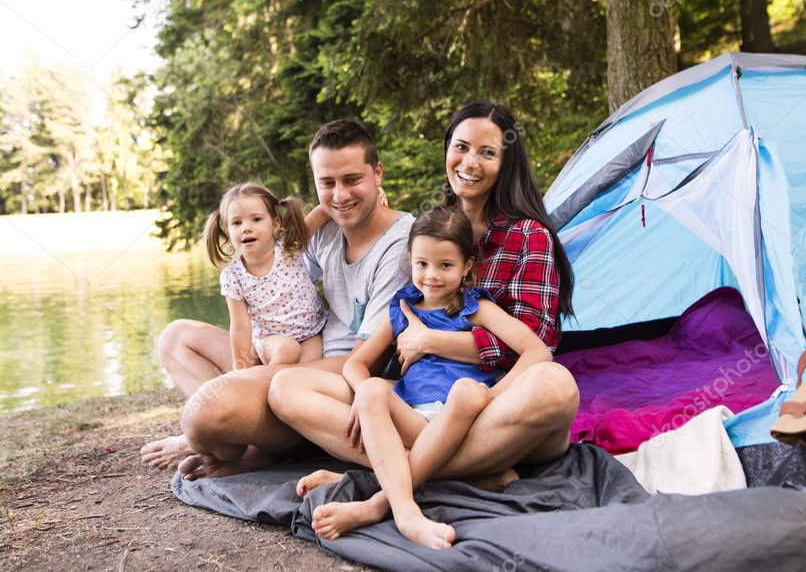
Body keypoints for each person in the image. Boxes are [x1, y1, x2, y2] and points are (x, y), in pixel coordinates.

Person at [269, 101, 579, 499]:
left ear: (507, 162)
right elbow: (384, 334)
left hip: (493, 404)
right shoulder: (429, 226)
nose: (470, 162)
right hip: (417, 400)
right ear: (447, 148)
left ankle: (383, 481)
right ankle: (462, 472)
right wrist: (319, 214)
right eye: (461, 147)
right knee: (285, 387)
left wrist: (431, 342)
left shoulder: (527, 236)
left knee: (556, 386)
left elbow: (537, 346)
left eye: (487, 152)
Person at [140, 120, 413, 474]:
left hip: (336, 382)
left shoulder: (401, 246)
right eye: (327, 183)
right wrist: (254, 359)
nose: (340, 195)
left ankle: (237, 441)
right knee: (175, 339)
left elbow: (368, 361)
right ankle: (248, 437)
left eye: (352, 180)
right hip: (292, 360)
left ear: (378, 174)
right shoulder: (329, 230)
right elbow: (282, 266)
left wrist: (266, 375)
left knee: (202, 417)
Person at [306, 206, 552, 549]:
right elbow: (354, 364)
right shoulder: (402, 307)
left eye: (445, 265)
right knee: (374, 390)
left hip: (464, 419)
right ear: (410, 260)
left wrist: (493, 396)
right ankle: (417, 502)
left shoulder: (475, 307)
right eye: (422, 264)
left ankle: (381, 504)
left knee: (467, 391)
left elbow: (537, 351)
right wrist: (364, 397)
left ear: (467, 266)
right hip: (414, 420)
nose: (432, 276)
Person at [206, 182, 326, 367]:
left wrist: (375, 197)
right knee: (288, 349)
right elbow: (240, 328)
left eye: (256, 219)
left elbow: (322, 213)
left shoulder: (290, 247)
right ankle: (257, 382)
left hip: (311, 332)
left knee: (307, 370)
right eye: (237, 223)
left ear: (275, 224)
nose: (246, 227)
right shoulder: (233, 276)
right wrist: (241, 369)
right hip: (271, 341)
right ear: (228, 232)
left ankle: (275, 389)